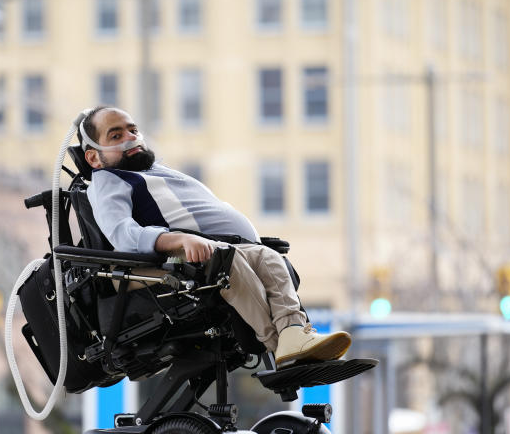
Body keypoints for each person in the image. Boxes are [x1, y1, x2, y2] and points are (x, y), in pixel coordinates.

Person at [80, 105, 351, 367]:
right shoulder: (108, 181)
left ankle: (294, 334)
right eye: (116, 135)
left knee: (267, 257)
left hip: (207, 250)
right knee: (223, 261)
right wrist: (180, 240)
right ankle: (276, 345)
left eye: (133, 130)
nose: (131, 138)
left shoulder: (150, 172)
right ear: (93, 157)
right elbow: (122, 234)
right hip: (159, 264)